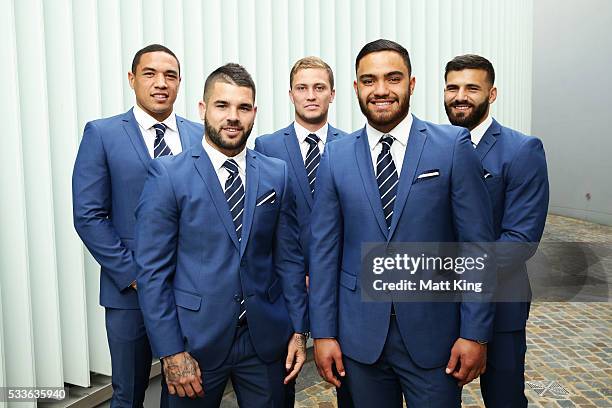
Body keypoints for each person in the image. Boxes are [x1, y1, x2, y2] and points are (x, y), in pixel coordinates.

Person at [308, 39, 496, 407]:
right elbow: (324, 252)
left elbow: (477, 247)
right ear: (356, 88)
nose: (380, 90)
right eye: (369, 80)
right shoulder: (336, 155)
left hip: (435, 338)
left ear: (411, 84)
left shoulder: (452, 145)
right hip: (359, 339)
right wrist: (325, 334)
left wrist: (475, 334)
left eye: (392, 78)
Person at [134, 63, 309, 407]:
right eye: (222, 105)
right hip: (194, 345)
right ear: (202, 109)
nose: (233, 117)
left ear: (254, 113)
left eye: (243, 108)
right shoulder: (169, 175)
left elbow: (288, 259)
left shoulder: (277, 174)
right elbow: (153, 274)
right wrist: (171, 352)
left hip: (265, 341)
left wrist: (299, 331)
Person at [72, 44, 203, 407]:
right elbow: (88, 214)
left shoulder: (198, 136)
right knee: (128, 393)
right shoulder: (102, 134)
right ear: (132, 79)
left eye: (170, 75)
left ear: (179, 83)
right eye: (150, 74)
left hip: (191, 292)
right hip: (129, 294)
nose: (161, 83)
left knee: (186, 390)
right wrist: (135, 275)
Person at [444, 54, 549, 407]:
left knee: (504, 399)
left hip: (501, 304)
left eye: (472, 88)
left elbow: (520, 241)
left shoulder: (522, 150)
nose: (461, 96)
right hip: (436, 307)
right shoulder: (434, 146)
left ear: (492, 94)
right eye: (452, 87)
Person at [255, 57, 353, 407]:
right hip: (286, 285)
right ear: (290, 94)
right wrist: (299, 273)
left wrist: (324, 272)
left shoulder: (352, 147)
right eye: (302, 88)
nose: (311, 95)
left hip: (340, 283)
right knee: (282, 379)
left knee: (351, 378)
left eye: (319, 87)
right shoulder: (266, 147)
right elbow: (267, 223)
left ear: (333, 94)